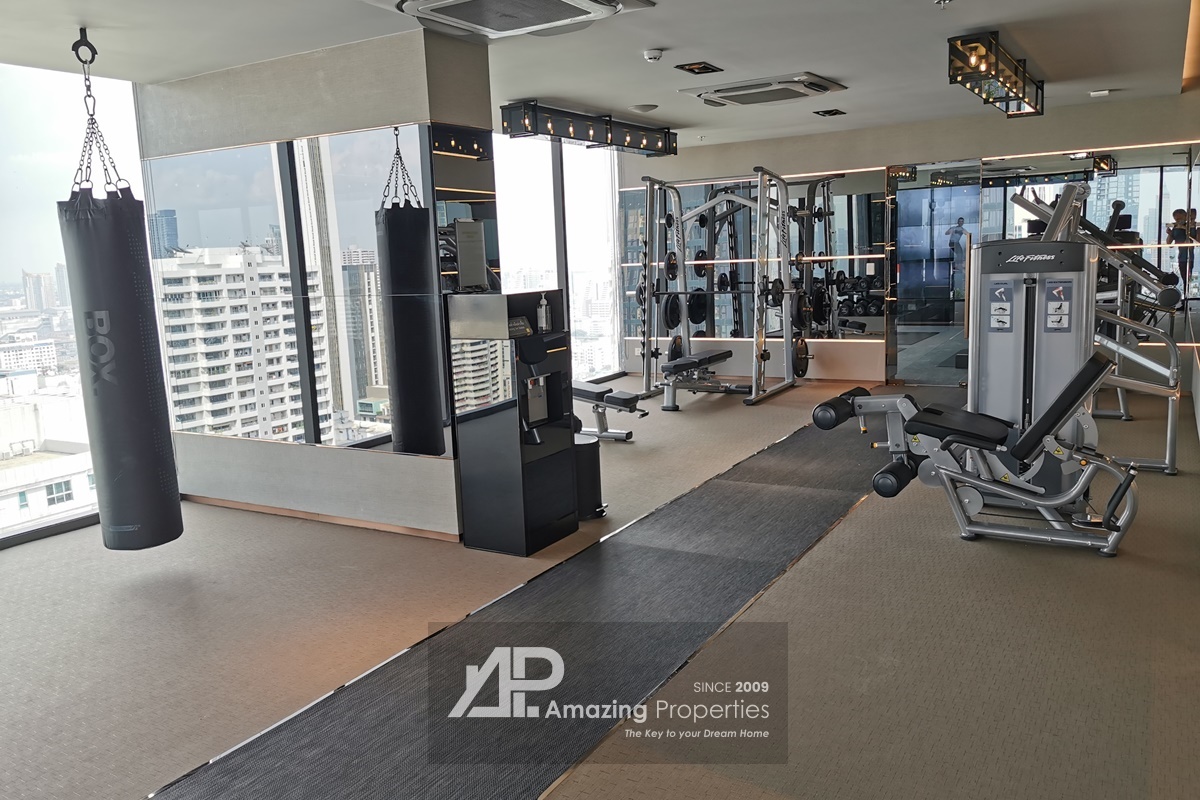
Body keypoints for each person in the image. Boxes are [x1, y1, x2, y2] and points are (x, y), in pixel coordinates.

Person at [1166, 208, 1194, 301]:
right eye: (1176, 219)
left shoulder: (1190, 227)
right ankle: (1184, 297)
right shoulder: (1175, 228)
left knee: (1187, 277)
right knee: (1183, 277)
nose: (1178, 221)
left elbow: (1194, 239)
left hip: (1189, 256)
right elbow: (1169, 244)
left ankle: (1187, 297)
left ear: (1185, 217)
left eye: (1180, 219)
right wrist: (1170, 233)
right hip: (1181, 256)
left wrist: (1184, 228)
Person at [945, 217, 967, 299]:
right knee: (960, 252)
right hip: (953, 243)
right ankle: (957, 264)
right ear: (958, 222)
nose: (961, 222)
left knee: (960, 253)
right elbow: (946, 233)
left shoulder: (962, 229)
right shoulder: (954, 227)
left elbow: (967, 233)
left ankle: (958, 264)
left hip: (956, 243)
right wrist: (951, 231)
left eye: (962, 221)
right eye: (960, 221)